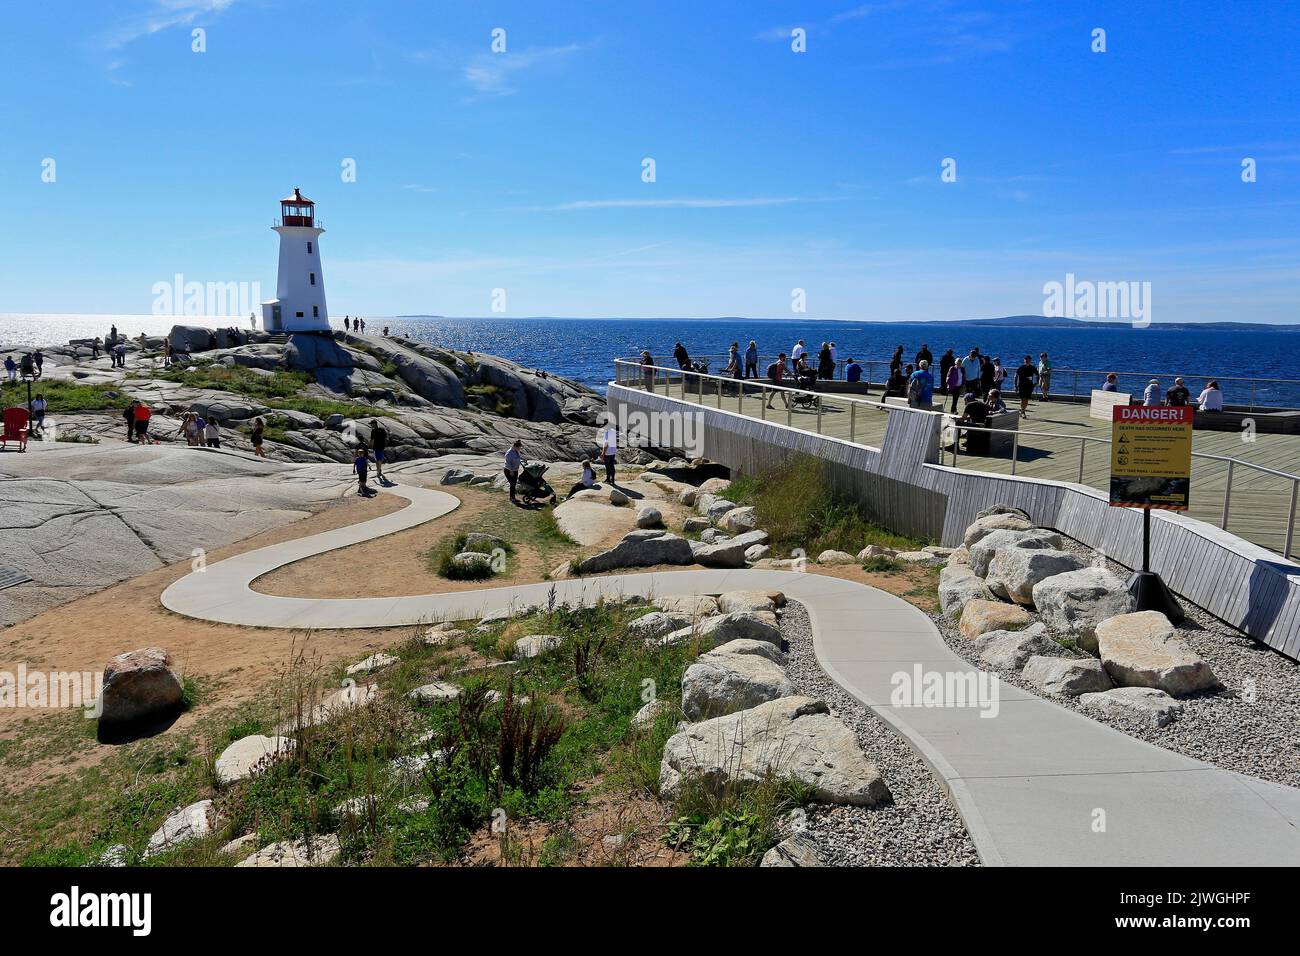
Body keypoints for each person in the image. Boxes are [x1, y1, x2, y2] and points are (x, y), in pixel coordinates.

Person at [599, 419, 617, 485]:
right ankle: (613, 480)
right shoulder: (613, 431)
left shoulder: (607, 432)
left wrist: (603, 453)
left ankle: (608, 479)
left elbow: (606, 444)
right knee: (612, 466)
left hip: (608, 452)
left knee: (608, 467)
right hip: (613, 451)